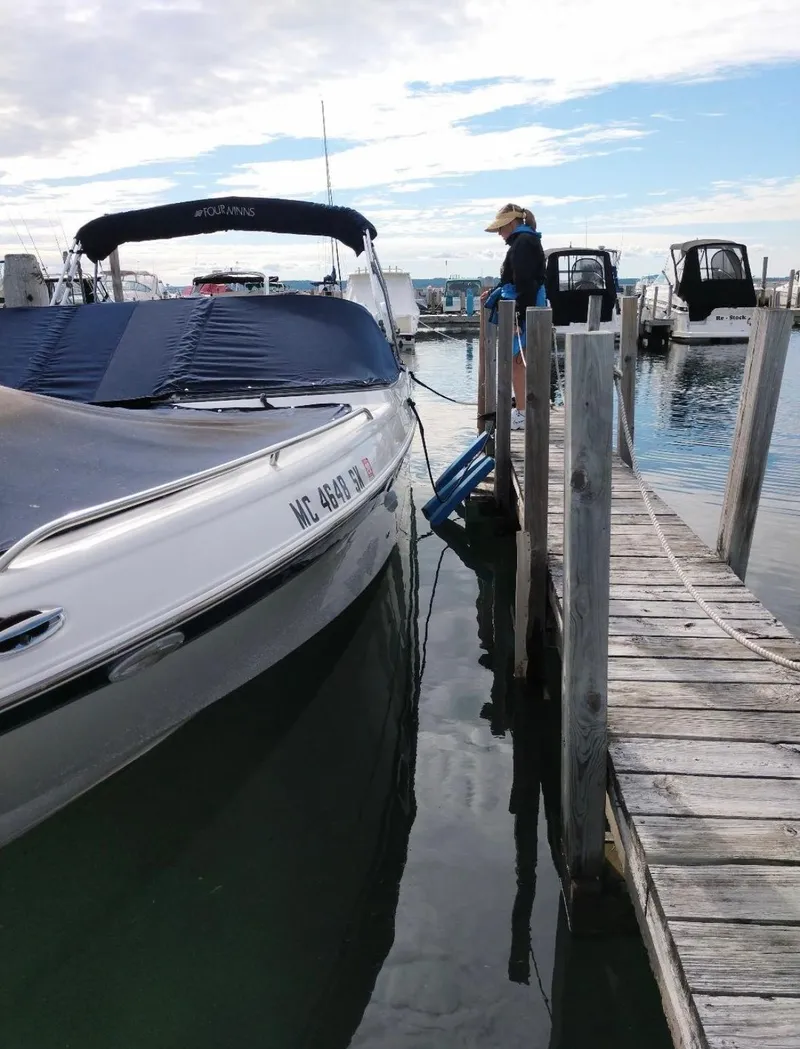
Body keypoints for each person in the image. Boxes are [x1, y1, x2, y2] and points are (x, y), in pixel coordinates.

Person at [482, 204, 546, 429]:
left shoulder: (523, 243)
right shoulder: (525, 241)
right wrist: (494, 291)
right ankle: (522, 407)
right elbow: (514, 278)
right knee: (520, 362)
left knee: (518, 363)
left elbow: (525, 282)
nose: (499, 233)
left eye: (500, 228)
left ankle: (522, 413)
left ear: (511, 223)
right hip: (526, 306)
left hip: (524, 309)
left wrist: (518, 317)